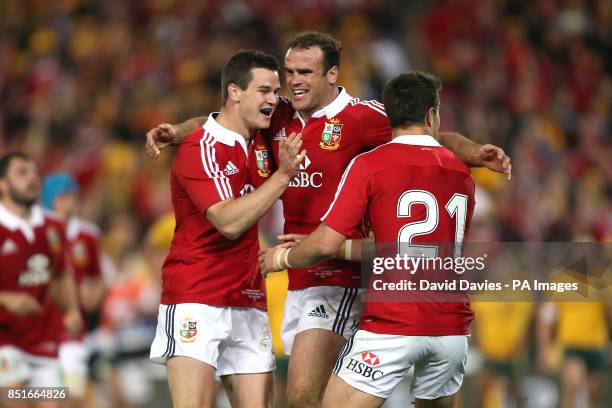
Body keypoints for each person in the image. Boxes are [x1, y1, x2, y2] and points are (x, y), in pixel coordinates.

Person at [146, 32, 511, 407]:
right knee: (309, 397)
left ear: (332, 74)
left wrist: (474, 152)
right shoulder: (279, 112)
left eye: (305, 71)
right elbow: (225, 120)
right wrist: (177, 132)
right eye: (289, 71)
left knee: (302, 392)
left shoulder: (361, 117)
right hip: (298, 274)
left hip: (337, 272)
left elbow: (424, 133)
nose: (294, 81)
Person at [260, 71, 476, 407]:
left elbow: (327, 243)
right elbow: (407, 250)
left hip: (393, 324)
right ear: (432, 114)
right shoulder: (462, 174)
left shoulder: (370, 164)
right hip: (451, 328)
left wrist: (282, 257)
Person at [148, 49, 305, 408]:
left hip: (249, 297)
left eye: (275, 91)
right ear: (235, 92)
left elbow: (212, 116)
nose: (274, 100)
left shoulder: (262, 132)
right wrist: (282, 176)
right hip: (196, 298)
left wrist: (176, 127)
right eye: (264, 91)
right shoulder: (201, 148)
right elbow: (229, 222)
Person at [0, 152, 82, 407]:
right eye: (22, 173)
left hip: (43, 340)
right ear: (2, 184)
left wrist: (71, 309)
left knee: (57, 403)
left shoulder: (52, 226)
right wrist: (5, 298)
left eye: (35, 172)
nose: (32, 178)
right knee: (14, 400)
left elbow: (60, 273)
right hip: (4, 340)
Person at [41, 172, 106, 408]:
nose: (69, 202)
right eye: (62, 197)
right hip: (41, 329)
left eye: (72, 196)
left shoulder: (88, 235)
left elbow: (98, 278)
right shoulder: (38, 231)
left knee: (73, 395)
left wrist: (94, 297)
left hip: (72, 330)